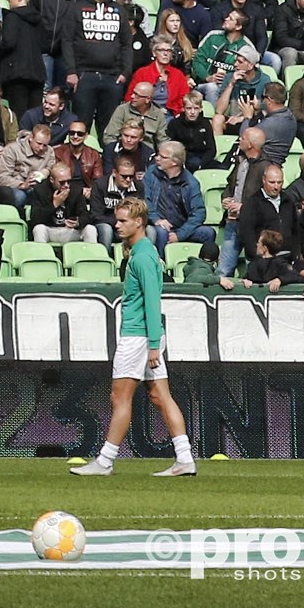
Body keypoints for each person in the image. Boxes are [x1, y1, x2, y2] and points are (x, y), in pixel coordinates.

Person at [71, 194, 199, 476]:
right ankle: (185, 458)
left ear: (138, 223)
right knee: (159, 396)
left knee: (120, 398)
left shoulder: (142, 257)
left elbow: (153, 302)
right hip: (146, 336)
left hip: (138, 336)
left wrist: (153, 344)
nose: (116, 226)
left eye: (122, 221)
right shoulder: (144, 253)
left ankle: (105, 461)